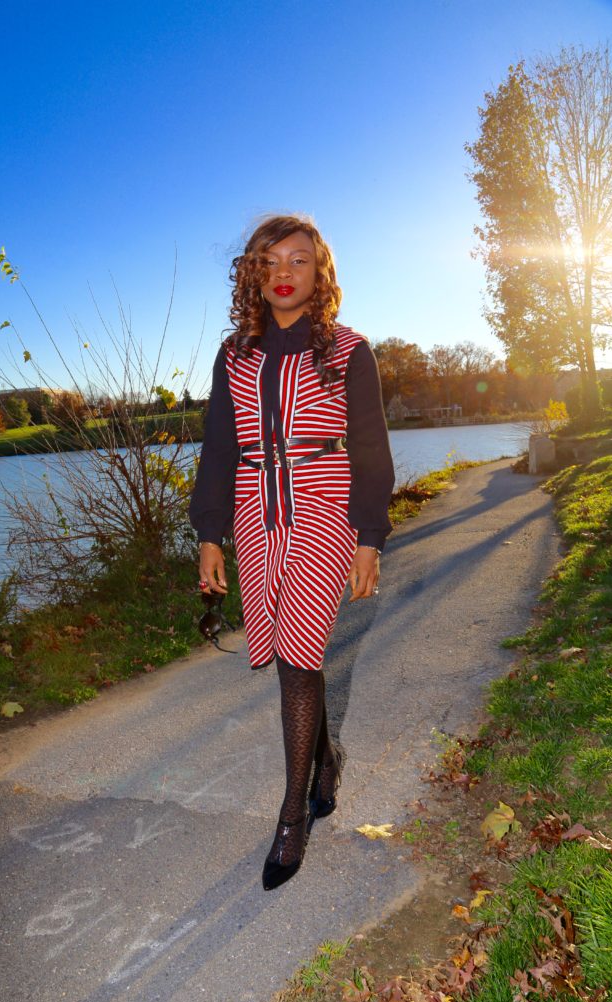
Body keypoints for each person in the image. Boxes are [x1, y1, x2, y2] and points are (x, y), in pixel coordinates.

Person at [189, 214, 395, 890]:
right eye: (269, 261)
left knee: (298, 656)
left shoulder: (347, 350)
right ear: (252, 273)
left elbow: (370, 451)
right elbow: (219, 448)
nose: (283, 272)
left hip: (323, 510)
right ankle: (325, 756)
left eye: (298, 260)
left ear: (319, 273)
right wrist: (208, 533)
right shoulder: (234, 355)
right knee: (282, 651)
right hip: (254, 513)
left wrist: (369, 539)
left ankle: (289, 816)